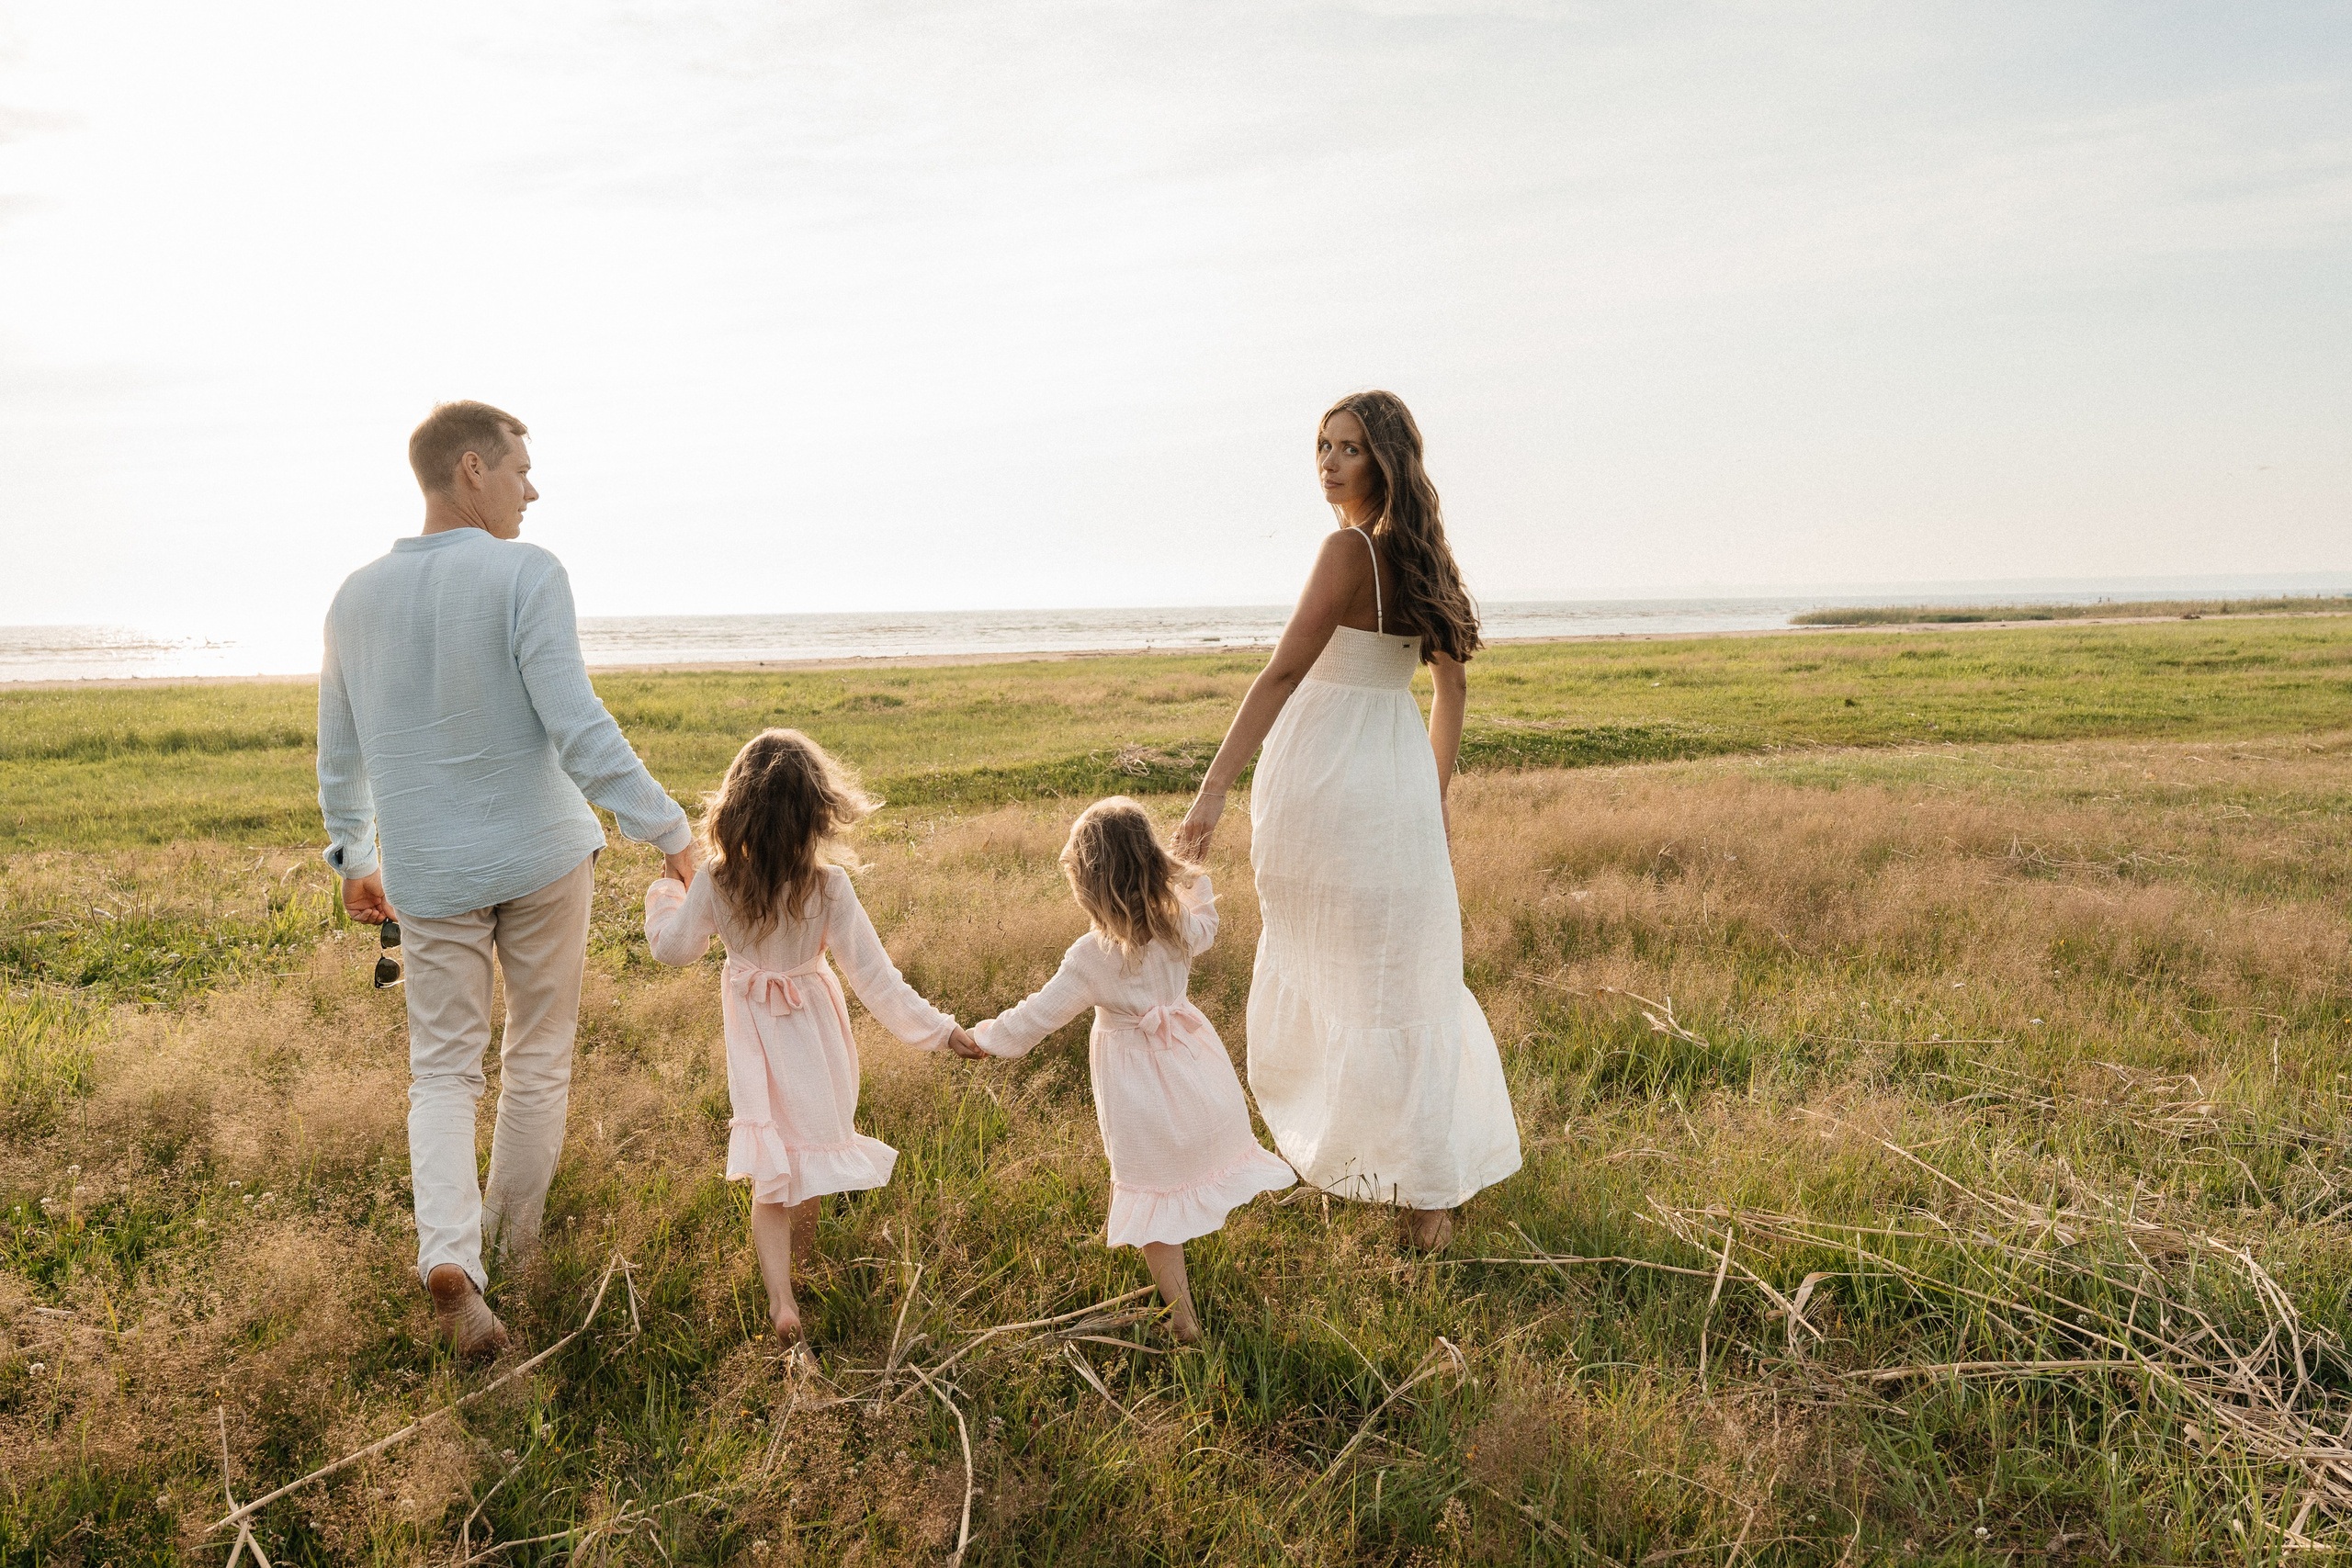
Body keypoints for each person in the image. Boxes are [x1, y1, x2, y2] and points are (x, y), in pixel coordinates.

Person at [318, 400, 698, 1356]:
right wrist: (666, 827)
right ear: (473, 467)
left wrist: (354, 857)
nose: (534, 488)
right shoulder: (528, 570)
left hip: (429, 876)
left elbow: (340, 750)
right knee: (537, 1058)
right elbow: (575, 720)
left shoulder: (352, 596)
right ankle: (510, 1253)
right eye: (523, 468)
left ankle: (452, 1256)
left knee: (441, 1074)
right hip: (540, 857)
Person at [1171, 389, 1520, 1252]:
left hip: (1323, 784)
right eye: (1323, 446)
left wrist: (1213, 789)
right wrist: (1429, 794)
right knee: (1400, 981)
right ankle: (1418, 1193)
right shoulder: (1428, 559)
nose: (1329, 463)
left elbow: (1281, 677)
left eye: (1350, 448)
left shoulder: (1346, 551)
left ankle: (1371, 1168)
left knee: (1343, 975)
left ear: (1386, 459)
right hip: (1394, 777)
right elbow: (1451, 690)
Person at [642, 729, 980, 1344]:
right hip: (816, 1040)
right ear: (818, 812)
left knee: (772, 1170)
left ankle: (783, 1300)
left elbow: (671, 948)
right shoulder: (828, 887)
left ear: (735, 807)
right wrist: (942, 1031)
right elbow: (877, 979)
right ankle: (801, 1265)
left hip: (755, 1041)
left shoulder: (718, 880)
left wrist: (668, 887)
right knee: (811, 1159)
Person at [966, 797, 1295, 1342]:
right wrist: (1193, 872)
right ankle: (1181, 1280)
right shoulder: (1180, 927)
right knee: (1184, 1159)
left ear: (1089, 886)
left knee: (1148, 1183)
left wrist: (980, 1038)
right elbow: (1208, 920)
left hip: (1134, 1084)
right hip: (1191, 1063)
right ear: (1153, 864)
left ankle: (1183, 1315)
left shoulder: (1090, 956)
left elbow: (1035, 1018)